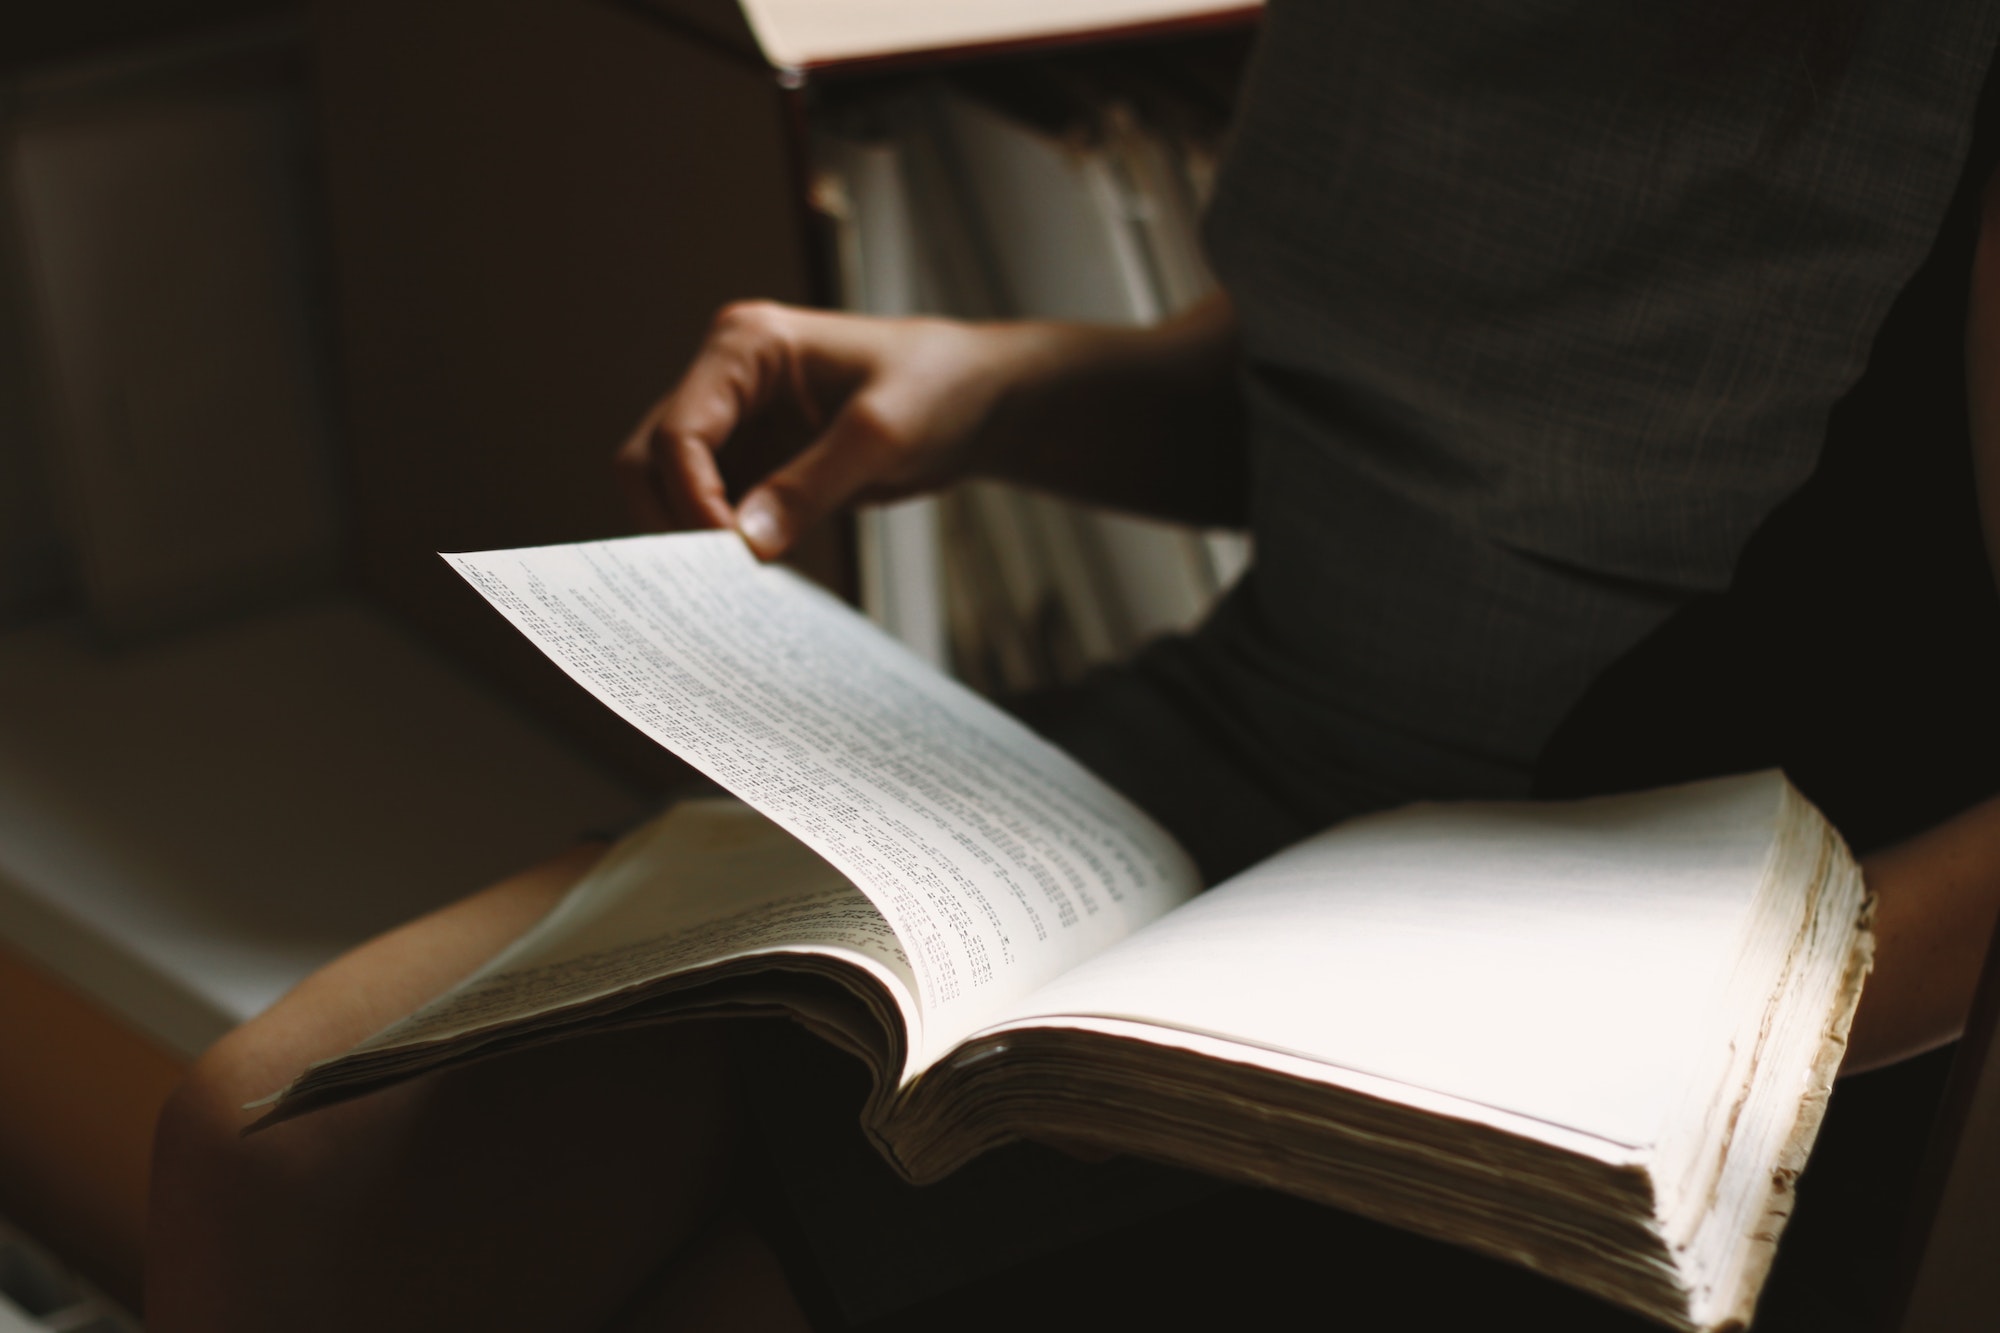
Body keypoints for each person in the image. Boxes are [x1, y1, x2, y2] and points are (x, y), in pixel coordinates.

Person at [146, 3, 2000, 1330]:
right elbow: (1378, 399)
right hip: (1240, 748)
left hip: (1662, 947)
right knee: (274, 1152)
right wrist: (992, 382)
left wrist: (1719, 1051)